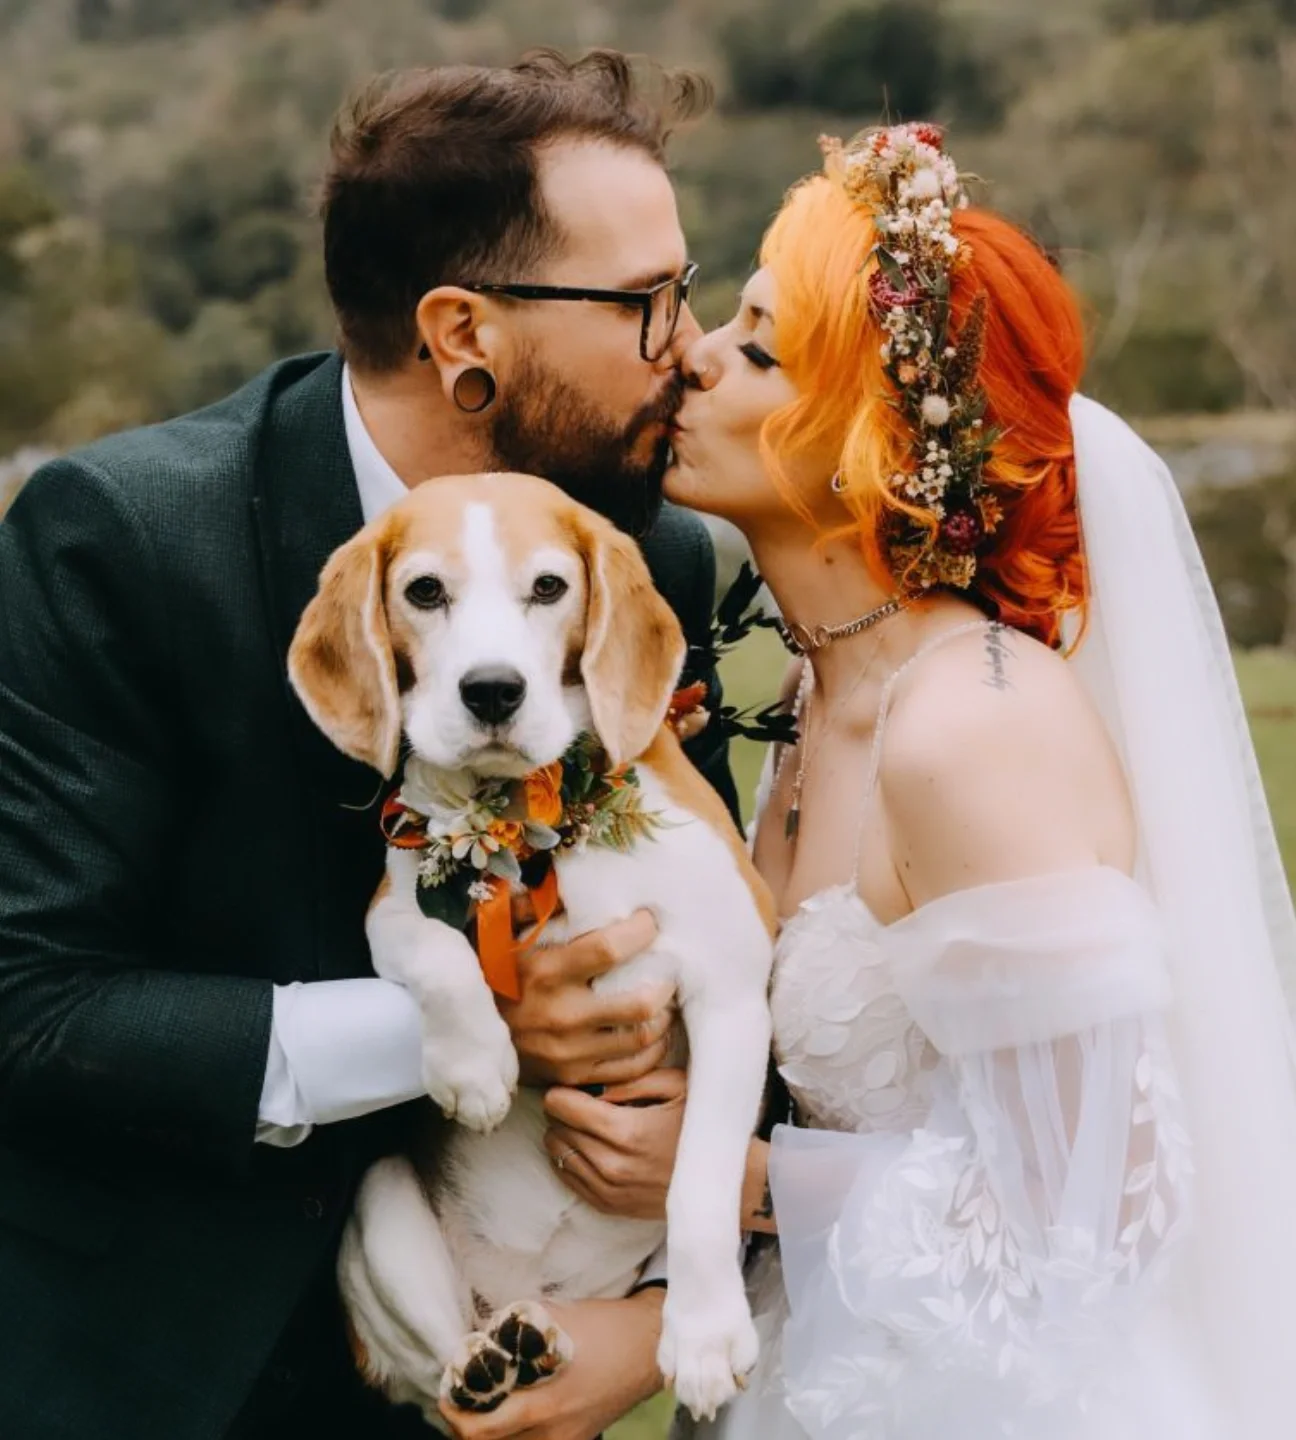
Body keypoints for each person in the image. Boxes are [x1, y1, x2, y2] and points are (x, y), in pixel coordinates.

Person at [514, 124, 1296, 1440]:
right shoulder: (819, 701)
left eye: (757, 347)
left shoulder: (970, 731)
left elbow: (1096, 1209)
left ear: (870, 438)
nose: (690, 357)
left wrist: (739, 1182)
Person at [0, 50, 733, 1440]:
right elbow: (27, 1004)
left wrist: (642, 1329)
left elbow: (706, 967)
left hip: (485, 1369)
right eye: (646, 303)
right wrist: (451, 1026)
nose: (687, 350)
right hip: (142, 1370)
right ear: (463, 333)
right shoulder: (125, 541)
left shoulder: (648, 562)